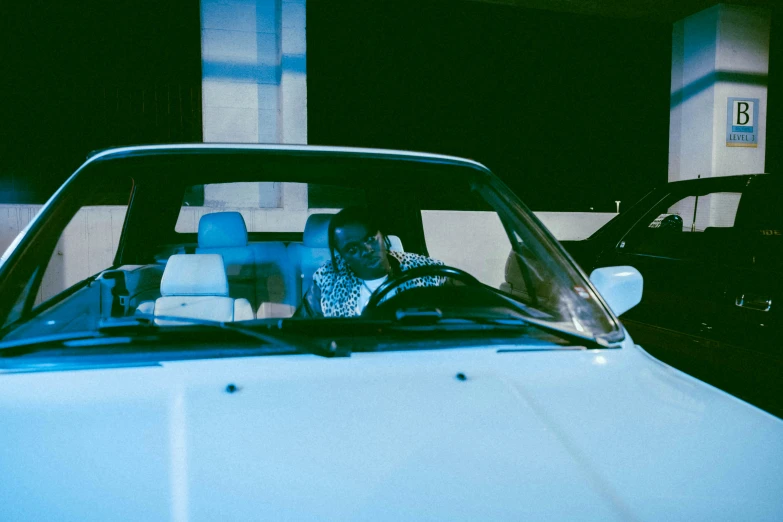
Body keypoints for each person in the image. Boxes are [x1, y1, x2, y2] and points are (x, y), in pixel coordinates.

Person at [296, 206, 445, 317]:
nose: (367, 250)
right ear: (342, 255)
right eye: (352, 249)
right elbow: (301, 331)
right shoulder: (327, 283)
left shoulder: (427, 272)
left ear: (382, 235)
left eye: (370, 239)